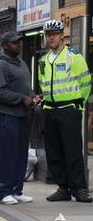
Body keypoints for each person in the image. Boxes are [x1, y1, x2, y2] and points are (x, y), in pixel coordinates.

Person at [39, 19, 92, 203]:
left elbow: (86, 83)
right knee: (54, 152)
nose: (51, 37)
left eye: (55, 33)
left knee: (72, 151)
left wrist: (79, 103)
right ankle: (63, 188)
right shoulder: (43, 60)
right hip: (50, 111)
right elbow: (43, 84)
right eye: (48, 34)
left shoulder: (73, 56)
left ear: (62, 35)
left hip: (69, 109)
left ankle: (80, 189)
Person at [0, 31, 37, 205]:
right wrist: (22, 99)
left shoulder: (22, 64)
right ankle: (3, 192)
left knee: (20, 155)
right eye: (14, 43)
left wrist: (32, 96)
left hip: (22, 115)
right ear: (5, 45)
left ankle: (17, 190)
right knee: (5, 155)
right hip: (6, 116)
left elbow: (25, 87)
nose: (19, 45)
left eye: (19, 42)